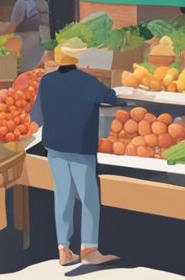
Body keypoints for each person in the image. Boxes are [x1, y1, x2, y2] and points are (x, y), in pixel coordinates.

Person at [32, 38, 120, 267]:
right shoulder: (85, 81)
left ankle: (64, 250)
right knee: (89, 198)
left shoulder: (47, 80)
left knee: (63, 196)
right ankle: (89, 250)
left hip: (53, 146)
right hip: (79, 148)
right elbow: (110, 97)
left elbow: (37, 114)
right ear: (77, 59)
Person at [11, 0, 51, 71]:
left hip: (27, 37)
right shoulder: (43, 1)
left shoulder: (21, 2)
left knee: (24, 66)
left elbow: (13, 24)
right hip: (43, 36)